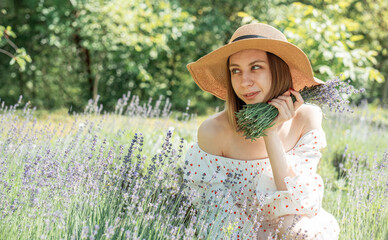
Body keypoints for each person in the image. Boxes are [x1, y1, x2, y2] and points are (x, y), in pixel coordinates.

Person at [183, 23, 340, 240]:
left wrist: (270, 134)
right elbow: (217, 216)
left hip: (293, 222)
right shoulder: (214, 131)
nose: (244, 82)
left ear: (278, 70)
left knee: (301, 233)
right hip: (237, 230)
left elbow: (298, 203)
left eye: (256, 67)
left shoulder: (306, 117)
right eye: (235, 71)